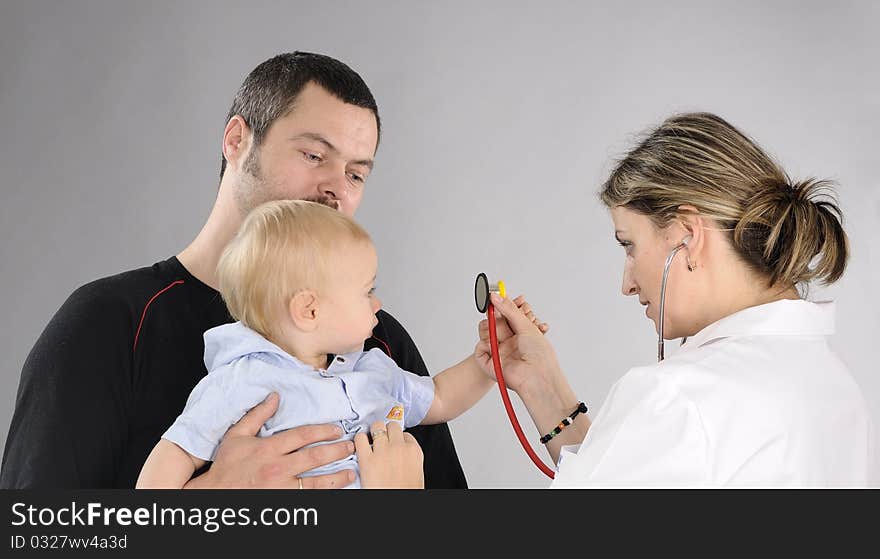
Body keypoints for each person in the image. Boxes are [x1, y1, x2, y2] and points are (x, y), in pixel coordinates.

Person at [1, 51, 468, 489]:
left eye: (356, 174)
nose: (335, 190)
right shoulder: (109, 324)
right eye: (313, 155)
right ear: (237, 141)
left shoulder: (374, 341)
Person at [378, 112, 873, 487]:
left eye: (629, 246)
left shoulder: (681, 398)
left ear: (687, 234)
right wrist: (543, 386)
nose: (627, 283)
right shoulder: (836, 387)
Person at [136, 199, 499, 489]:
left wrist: (484, 366)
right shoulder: (243, 379)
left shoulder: (370, 370)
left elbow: (439, 398)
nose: (378, 304)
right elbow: (176, 453)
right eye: (367, 291)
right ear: (309, 310)